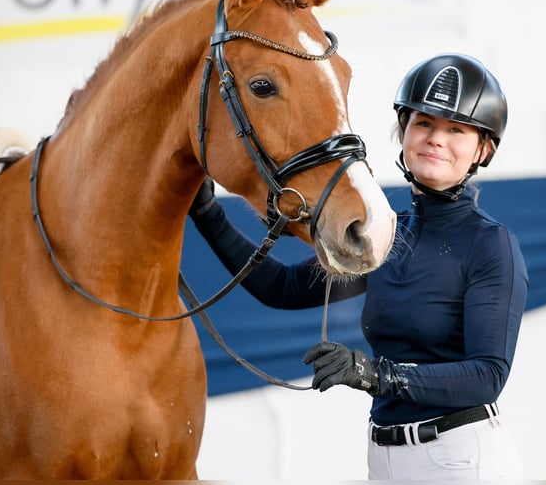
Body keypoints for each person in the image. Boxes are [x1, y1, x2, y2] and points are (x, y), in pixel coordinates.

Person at [189, 53, 528, 480]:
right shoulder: (387, 235)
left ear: (483, 149)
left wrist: (374, 374)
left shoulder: (490, 244)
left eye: (455, 130)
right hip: (383, 458)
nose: (435, 138)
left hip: (461, 460)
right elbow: (284, 288)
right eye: (423, 123)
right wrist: (207, 215)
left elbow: (487, 376)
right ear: (404, 131)